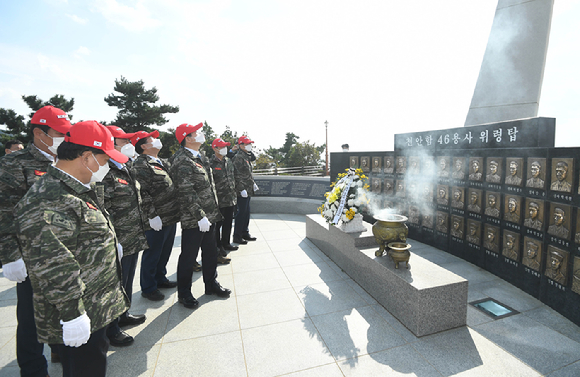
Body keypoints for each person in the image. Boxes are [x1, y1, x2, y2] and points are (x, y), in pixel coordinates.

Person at [15, 120, 130, 377]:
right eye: (105, 159)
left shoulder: (77, 189)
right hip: (79, 311)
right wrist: (73, 314)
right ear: (87, 157)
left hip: (94, 306)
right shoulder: (51, 197)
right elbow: (55, 264)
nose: (108, 167)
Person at [0, 105, 71, 376]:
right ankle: (32, 369)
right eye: (59, 133)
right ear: (39, 133)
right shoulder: (13, 163)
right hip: (32, 255)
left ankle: (60, 351)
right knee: (30, 318)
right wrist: (10, 255)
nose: (65, 138)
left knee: (63, 309)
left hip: (64, 252)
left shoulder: (64, 160)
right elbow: (5, 211)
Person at [169, 123, 231, 309]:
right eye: (196, 133)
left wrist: (210, 214)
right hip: (194, 218)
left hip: (209, 215)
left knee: (210, 252)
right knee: (189, 256)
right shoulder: (181, 160)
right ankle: (184, 293)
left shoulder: (200, 157)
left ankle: (211, 284)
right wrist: (199, 216)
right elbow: (185, 191)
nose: (201, 134)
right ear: (188, 138)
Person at [102, 126, 149, 347]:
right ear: (111, 143)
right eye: (124, 141)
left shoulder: (126, 165)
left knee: (128, 279)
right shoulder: (105, 169)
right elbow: (104, 207)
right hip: (119, 237)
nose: (129, 144)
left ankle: (123, 314)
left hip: (133, 235)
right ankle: (112, 329)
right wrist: (114, 239)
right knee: (116, 282)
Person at [131, 130, 179, 301]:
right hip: (156, 218)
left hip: (170, 215)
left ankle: (160, 278)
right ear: (143, 146)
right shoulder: (141, 164)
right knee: (153, 253)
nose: (157, 141)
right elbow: (142, 192)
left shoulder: (159, 161)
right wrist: (152, 215)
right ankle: (148, 287)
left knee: (164, 251)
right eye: (152, 139)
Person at [210, 137, 239, 255]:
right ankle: (218, 247)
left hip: (230, 199)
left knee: (228, 223)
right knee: (217, 226)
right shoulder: (210, 163)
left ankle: (226, 243)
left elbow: (233, 178)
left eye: (225, 146)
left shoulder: (228, 161)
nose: (224, 149)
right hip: (218, 200)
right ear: (215, 148)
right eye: (222, 147)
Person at [232, 135, 259, 244]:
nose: (249, 146)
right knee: (241, 213)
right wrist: (241, 188)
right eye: (247, 144)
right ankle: (237, 235)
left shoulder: (245, 156)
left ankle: (245, 232)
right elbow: (236, 174)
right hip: (241, 189)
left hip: (247, 188)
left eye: (249, 144)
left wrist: (252, 183)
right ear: (241, 145)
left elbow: (247, 173)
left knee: (246, 211)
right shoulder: (238, 157)